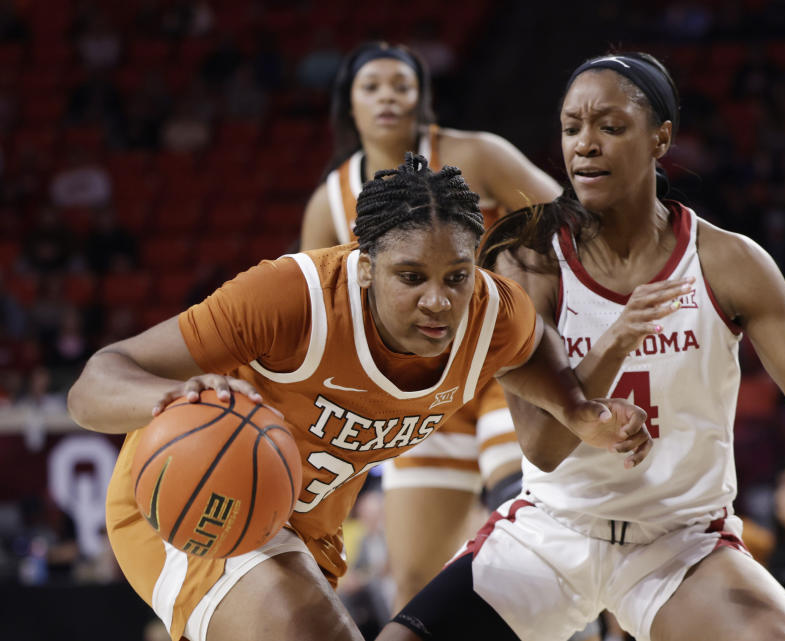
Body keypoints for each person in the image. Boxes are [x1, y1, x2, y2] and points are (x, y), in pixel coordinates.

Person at [377, 51, 785, 641]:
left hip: (680, 544)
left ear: (660, 138)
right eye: (572, 128)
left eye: (610, 127)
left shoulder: (730, 262)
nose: (584, 145)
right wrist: (616, 341)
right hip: (553, 532)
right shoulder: (529, 259)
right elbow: (543, 447)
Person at [67, 154, 647, 641]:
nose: (439, 301)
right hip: (195, 501)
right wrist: (172, 397)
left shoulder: (493, 314)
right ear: (366, 268)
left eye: (456, 276)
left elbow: (531, 353)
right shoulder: (291, 297)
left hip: (309, 531)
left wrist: (580, 412)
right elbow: (93, 384)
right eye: (411, 277)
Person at [300, 41, 563, 611]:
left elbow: (568, 220)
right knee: (413, 579)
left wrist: (524, 268)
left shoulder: (476, 153)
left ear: (423, 98)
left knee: (527, 520)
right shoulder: (331, 198)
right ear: (349, 104)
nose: (388, 96)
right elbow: (318, 311)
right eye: (372, 86)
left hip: (505, 363)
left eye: (401, 85)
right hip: (417, 388)